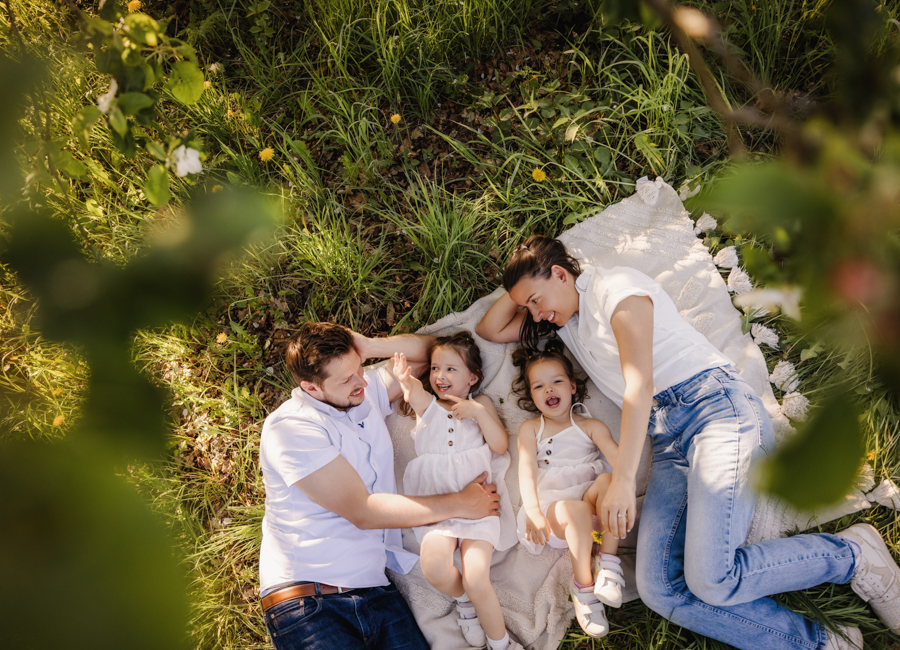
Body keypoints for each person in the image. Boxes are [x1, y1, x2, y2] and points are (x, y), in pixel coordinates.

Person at [476, 234, 900, 650]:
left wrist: (622, 479)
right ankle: (820, 643)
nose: (534, 312)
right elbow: (489, 328)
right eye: (526, 305)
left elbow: (639, 386)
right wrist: (522, 286)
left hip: (716, 411)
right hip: (668, 444)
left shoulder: (614, 288)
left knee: (711, 578)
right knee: (661, 589)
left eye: (535, 299)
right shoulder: (567, 323)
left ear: (560, 274)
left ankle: (853, 556)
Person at [258, 321, 501, 650]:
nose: (361, 381)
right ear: (312, 388)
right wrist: (462, 503)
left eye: (360, 368)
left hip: (376, 591)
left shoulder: (362, 388)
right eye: (347, 378)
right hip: (310, 601)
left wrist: (370, 346)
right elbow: (363, 510)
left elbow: (431, 351)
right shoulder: (291, 428)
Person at [393, 331, 520, 650]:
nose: (440, 375)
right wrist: (406, 382)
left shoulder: (482, 404)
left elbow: (500, 445)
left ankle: (501, 643)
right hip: (440, 506)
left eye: (451, 368)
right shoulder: (429, 409)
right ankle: (463, 600)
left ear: (472, 377)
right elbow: (415, 392)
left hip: (480, 506)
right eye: (435, 368)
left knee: (478, 577)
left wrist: (477, 412)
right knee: (433, 567)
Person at [510, 340, 624, 639]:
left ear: (572, 386)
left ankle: (608, 563)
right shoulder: (531, 429)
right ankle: (583, 587)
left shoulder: (590, 426)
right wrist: (533, 510)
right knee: (573, 510)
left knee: (611, 481)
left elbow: (618, 460)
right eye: (539, 386)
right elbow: (526, 468)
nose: (549, 390)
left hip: (591, 508)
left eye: (556, 381)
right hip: (551, 515)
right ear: (531, 395)